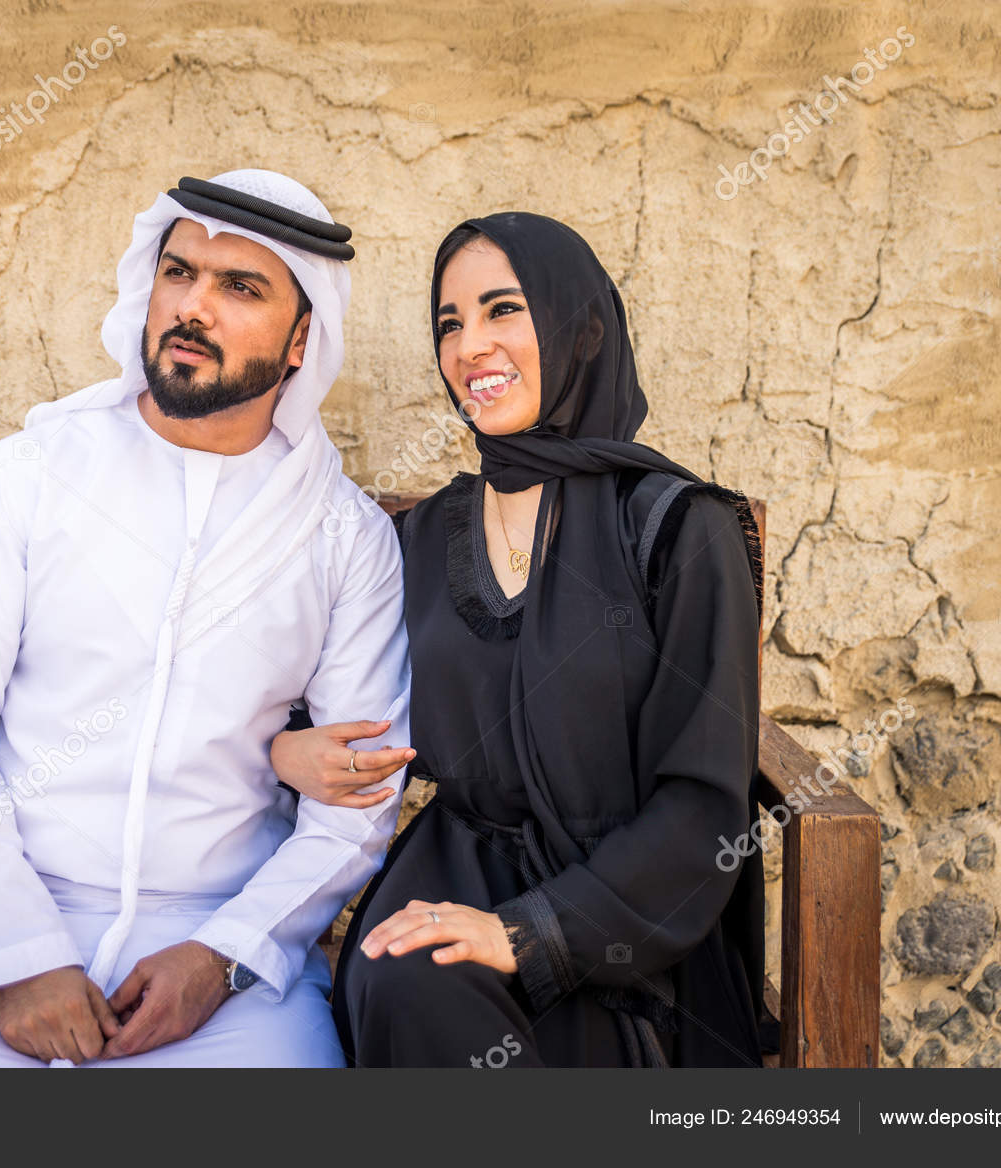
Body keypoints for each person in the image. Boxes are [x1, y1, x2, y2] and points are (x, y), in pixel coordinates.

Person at [0, 170, 413, 1068]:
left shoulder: (345, 538)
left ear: (302, 339)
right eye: (179, 272)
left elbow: (357, 803)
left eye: (240, 287)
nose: (192, 306)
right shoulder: (28, 477)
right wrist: (16, 956)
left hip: (217, 935)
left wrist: (225, 956)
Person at [269, 212, 770, 1067]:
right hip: (454, 877)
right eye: (449, 323)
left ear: (584, 330)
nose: (471, 346)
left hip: (631, 922)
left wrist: (530, 936)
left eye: (503, 309)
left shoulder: (680, 531)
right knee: (409, 970)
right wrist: (288, 749)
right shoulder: (423, 540)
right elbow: (331, 705)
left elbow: (702, 805)